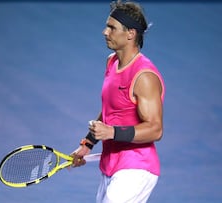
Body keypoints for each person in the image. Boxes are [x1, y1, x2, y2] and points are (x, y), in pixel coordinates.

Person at [71, 1, 165, 202]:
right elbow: (110, 109)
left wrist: (112, 132)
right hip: (111, 164)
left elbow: (155, 129)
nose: (105, 32)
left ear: (130, 33)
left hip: (136, 167)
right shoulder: (112, 62)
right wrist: (88, 143)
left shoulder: (144, 77)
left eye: (112, 28)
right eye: (107, 26)